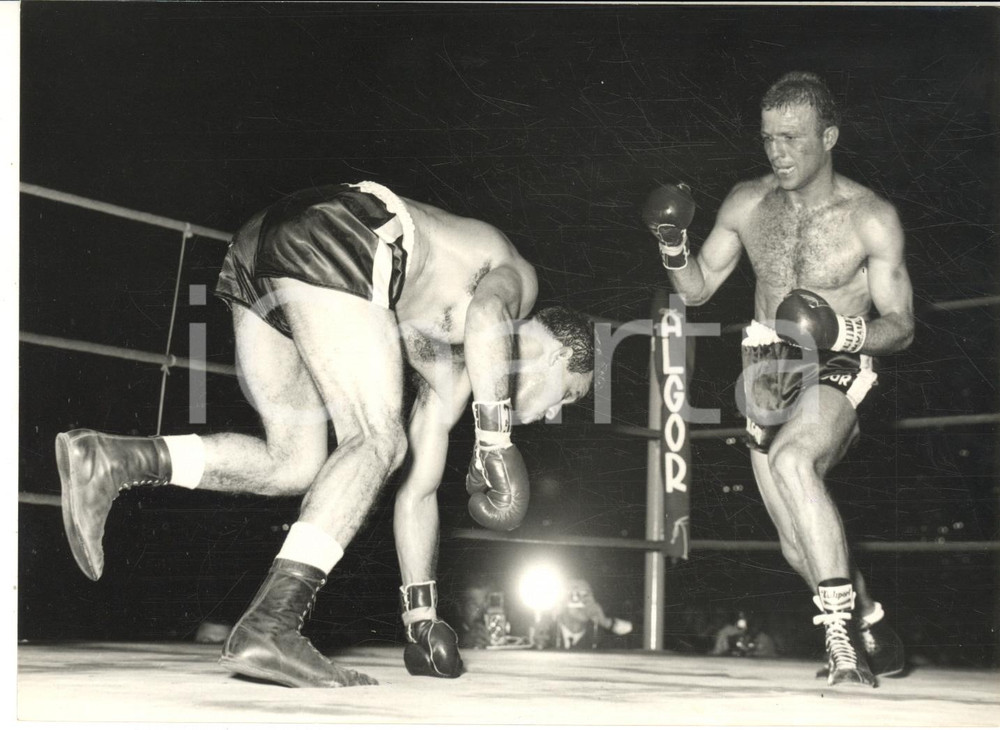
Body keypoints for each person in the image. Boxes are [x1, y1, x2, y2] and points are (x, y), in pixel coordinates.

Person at [56, 180, 595, 688]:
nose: (552, 416)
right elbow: (485, 318)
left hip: (265, 250)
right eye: (567, 396)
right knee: (377, 438)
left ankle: (111, 460)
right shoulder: (517, 284)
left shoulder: (452, 380)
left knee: (293, 461)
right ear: (556, 354)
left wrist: (421, 616)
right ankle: (271, 624)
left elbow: (419, 492)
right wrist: (495, 439)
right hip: (347, 232)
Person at [643, 72, 911, 687]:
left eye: (792, 138)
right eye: (769, 139)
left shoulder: (871, 218)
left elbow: (901, 325)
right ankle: (867, 616)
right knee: (797, 544)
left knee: (794, 462)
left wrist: (839, 332)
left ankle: (841, 642)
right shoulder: (746, 204)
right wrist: (672, 245)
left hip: (840, 360)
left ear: (829, 137)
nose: (778, 152)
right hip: (763, 368)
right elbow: (699, 289)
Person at [531, 578, 632, 651]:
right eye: (576, 595)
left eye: (587, 595)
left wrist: (606, 622)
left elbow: (635, 637)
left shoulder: (600, 637)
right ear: (561, 601)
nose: (583, 602)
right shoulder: (545, 632)